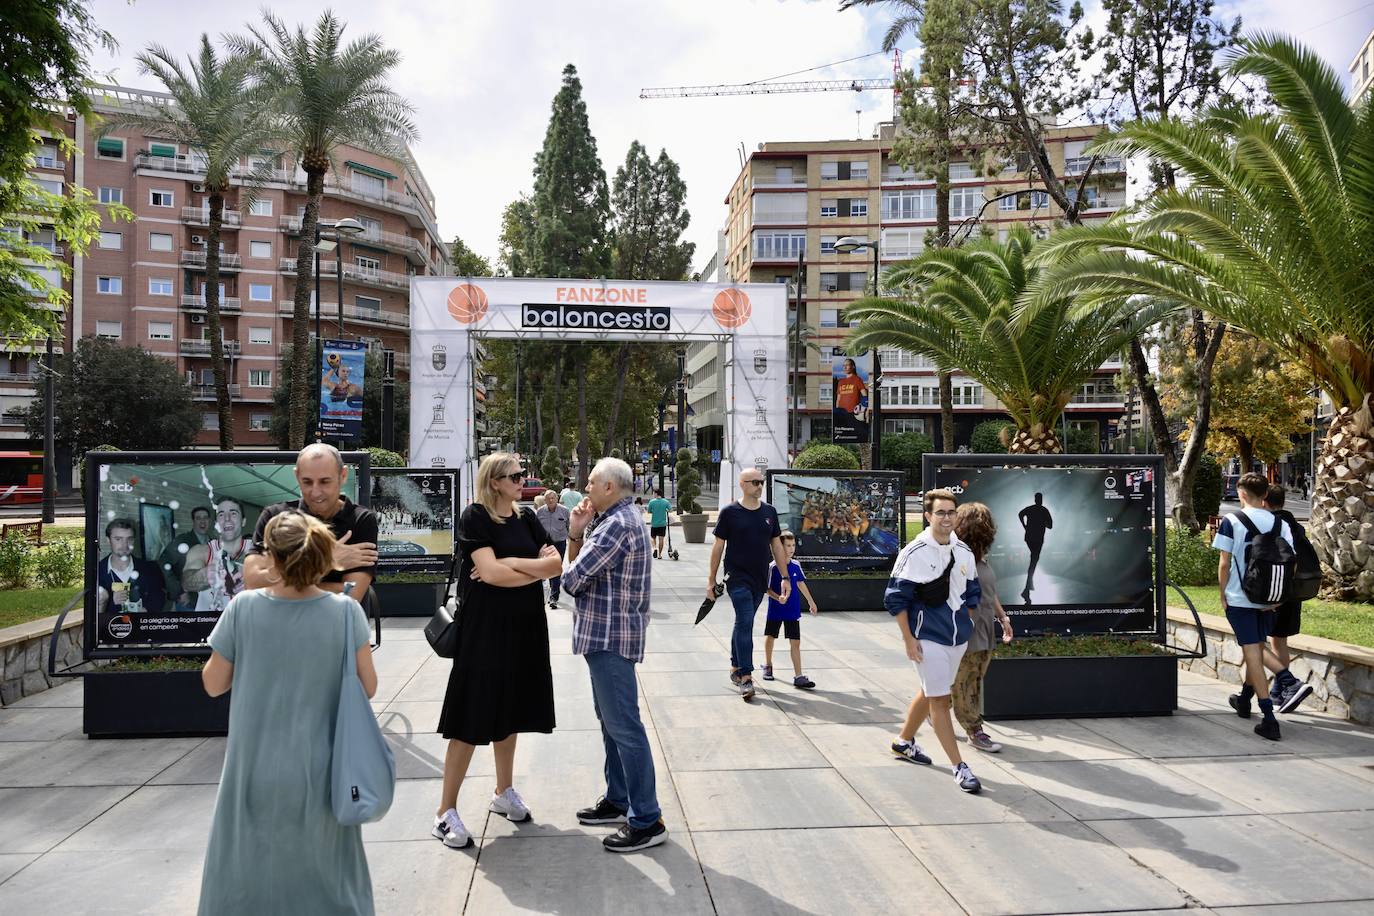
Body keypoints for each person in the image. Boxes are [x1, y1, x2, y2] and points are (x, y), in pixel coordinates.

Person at [197, 511, 379, 915]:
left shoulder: (243, 608)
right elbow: (368, 686)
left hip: (253, 764)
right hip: (323, 764)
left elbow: (213, 684)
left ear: (272, 560)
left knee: (248, 868)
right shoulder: (345, 612)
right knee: (326, 869)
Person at [432, 453, 562, 849]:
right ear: (494, 482)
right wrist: (528, 569)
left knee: (512, 712)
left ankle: (502, 791)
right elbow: (487, 574)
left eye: (522, 474)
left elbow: (556, 564)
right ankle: (444, 812)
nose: (524, 480)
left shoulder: (526, 517)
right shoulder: (475, 517)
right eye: (516, 476)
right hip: (485, 632)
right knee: (470, 717)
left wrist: (510, 563)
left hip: (525, 627)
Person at [561, 457, 668, 853]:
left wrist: (573, 535)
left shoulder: (616, 527)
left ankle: (646, 819)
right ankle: (619, 800)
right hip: (607, 637)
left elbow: (571, 580)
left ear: (609, 487)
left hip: (610, 639)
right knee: (612, 723)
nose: (585, 487)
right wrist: (579, 532)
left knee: (623, 726)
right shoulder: (615, 521)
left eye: (590, 482)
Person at [885, 488, 983, 794]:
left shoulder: (964, 551)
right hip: (927, 638)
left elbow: (972, 594)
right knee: (941, 701)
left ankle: (903, 742)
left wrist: (965, 624)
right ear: (928, 516)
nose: (946, 518)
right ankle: (959, 766)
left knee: (930, 691)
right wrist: (908, 639)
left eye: (951, 512)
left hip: (957, 639)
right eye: (940, 513)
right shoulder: (913, 552)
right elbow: (895, 600)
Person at [1213, 472, 1297, 740]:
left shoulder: (1232, 521)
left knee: (1253, 651)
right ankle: (1245, 699)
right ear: (1265, 494)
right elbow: (1290, 563)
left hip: (1240, 598)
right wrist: (1279, 597)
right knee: (1256, 647)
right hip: (1270, 600)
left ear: (1243, 494)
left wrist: (1223, 593)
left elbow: (1224, 562)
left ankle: (1270, 718)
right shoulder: (1280, 523)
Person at [243, 444, 379, 605]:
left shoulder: (361, 521)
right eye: (307, 482)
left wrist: (281, 582)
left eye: (324, 482)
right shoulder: (274, 516)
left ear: (342, 475)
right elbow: (252, 584)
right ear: (297, 476)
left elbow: (349, 597)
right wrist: (326, 561)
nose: (315, 492)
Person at [707, 467, 791, 700]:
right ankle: (746, 676)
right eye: (754, 482)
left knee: (743, 623)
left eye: (761, 482)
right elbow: (718, 547)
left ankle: (735, 666)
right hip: (737, 578)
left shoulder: (770, 512)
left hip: (759, 580)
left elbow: (776, 546)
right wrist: (710, 580)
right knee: (745, 620)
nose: (759, 486)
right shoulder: (729, 512)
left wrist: (785, 577)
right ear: (742, 484)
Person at [951, 503, 1014, 753]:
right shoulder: (955, 558)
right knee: (967, 681)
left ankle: (934, 708)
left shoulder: (980, 558)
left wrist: (1003, 618)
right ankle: (974, 729)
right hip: (964, 628)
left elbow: (990, 592)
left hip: (985, 625)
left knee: (970, 677)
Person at [1262, 484, 1315, 713]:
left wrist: (1274, 597)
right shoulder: (1295, 524)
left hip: (1278, 593)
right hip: (1295, 591)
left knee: (1258, 641)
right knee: (1279, 640)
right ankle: (1277, 690)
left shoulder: (1274, 525)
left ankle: (1287, 685)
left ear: (1264, 501)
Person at [760, 530, 819, 689]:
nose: (791, 548)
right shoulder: (772, 567)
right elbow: (766, 589)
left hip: (793, 610)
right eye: (788, 545)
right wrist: (777, 597)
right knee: (771, 636)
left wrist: (811, 601)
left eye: (793, 545)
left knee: (796, 642)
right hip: (776, 610)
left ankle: (798, 676)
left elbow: (800, 583)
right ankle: (767, 665)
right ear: (780, 546)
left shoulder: (796, 565)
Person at [182, 498, 251, 614]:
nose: (227, 519)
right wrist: (206, 574)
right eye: (221, 515)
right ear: (216, 524)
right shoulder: (201, 551)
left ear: (243, 521)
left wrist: (254, 579)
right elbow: (187, 582)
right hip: (211, 626)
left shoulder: (261, 551)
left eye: (233, 513)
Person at [95, 518, 166, 615]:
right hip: (111, 628)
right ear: (108, 540)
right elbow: (93, 616)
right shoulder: (96, 571)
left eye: (129, 539)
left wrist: (147, 611)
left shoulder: (151, 568)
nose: (125, 545)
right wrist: (110, 602)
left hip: (141, 628)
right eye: (118, 539)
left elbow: (160, 598)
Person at [161, 506, 212, 611]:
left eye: (205, 518)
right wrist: (179, 591)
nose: (202, 521)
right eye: (198, 518)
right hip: (189, 602)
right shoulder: (182, 541)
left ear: (209, 521)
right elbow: (163, 564)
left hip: (210, 601)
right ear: (193, 521)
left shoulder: (213, 543)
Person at [536, 489, 571, 609]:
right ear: (544, 500)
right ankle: (552, 589)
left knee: (556, 568)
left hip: (560, 542)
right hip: (546, 544)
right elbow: (537, 528)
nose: (551, 500)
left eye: (553, 498)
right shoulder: (540, 512)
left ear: (557, 499)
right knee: (549, 567)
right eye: (548, 498)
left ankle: (554, 597)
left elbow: (568, 526)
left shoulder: (565, 511)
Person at [1017, 492, 1053, 600]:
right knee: (1034, 561)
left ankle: (1029, 585)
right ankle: (1027, 588)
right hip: (1038, 539)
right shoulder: (1044, 510)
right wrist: (1042, 523)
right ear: (1040, 500)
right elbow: (1050, 525)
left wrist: (1025, 526)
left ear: (1035, 499)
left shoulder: (1030, 509)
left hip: (1029, 538)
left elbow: (1020, 514)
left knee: (1033, 559)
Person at [832, 358, 869, 440]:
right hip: (841, 413)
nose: (845, 367)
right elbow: (838, 399)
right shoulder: (841, 382)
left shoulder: (857, 379)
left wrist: (864, 411)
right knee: (842, 436)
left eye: (847, 365)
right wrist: (837, 412)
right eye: (844, 365)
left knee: (857, 435)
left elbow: (864, 395)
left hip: (853, 413)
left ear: (853, 367)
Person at [646, 489, 672, 559]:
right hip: (662, 524)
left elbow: (648, 511)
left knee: (653, 538)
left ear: (656, 494)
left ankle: (654, 548)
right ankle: (660, 555)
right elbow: (671, 510)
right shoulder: (666, 502)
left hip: (654, 523)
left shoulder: (652, 502)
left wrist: (654, 511)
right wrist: (665, 510)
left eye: (654, 493)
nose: (653, 495)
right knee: (661, 539)